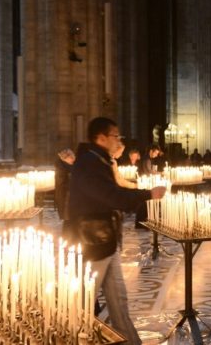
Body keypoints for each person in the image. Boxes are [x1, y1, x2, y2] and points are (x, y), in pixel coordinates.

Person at [68, 117, 166, 345]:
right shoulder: (90, 163)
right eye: (115, 136)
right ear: (101, 138)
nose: (118, 140)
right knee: (82, 303)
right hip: (92, 242)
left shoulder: (100, 161)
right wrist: (147, 194)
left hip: (105, 242)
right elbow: (110, 196)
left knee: (118, 301)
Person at [55, 148, 75, 237]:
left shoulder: (70, 166)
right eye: (71, 157)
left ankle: (70, 239)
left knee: (71, 221)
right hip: (67, 198)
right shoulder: (62, 168)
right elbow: (61, 183)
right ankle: (67, 239)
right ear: (65, 158)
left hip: (71, 198)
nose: (73, 158)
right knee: (68, 221)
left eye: (73, 156)